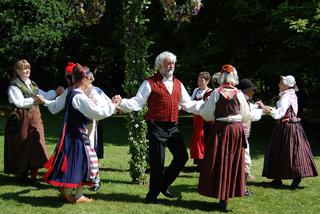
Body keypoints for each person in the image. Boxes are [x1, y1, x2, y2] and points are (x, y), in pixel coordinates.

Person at [114, 51, 204, 204]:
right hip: (156, 126)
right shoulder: (149, 83)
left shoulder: (178, 83)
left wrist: (207, 106)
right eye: (168, 63)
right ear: (160, 65)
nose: (171, 66)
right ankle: (152, 196)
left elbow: (188, 104)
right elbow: (137, 102)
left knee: (182, 157)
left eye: (173, 63)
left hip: (173, 126)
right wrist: (121, 102)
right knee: (158, 162)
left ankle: (163, 184)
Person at [43, 63, 121, 203]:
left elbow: (55, 107)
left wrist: (45, 102)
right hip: (76, 135)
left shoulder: (71, 92)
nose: (90, 82)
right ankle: (67, 190)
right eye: (88, 79)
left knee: (83, 162)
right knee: (78, 162)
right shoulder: (79, 96)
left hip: (75, 133)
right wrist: (114, 105)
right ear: (84, 80)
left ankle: (78, 195)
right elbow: (97, 113)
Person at [198, 64, 250, 211]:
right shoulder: (239, 93)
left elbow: (208, 115)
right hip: (234, 130)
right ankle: (225, 196)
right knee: (232, 162)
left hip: (220, 130)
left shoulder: (216, 92)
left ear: (221, 77)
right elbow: (245, 115)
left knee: (218, 161)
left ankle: (221, 195)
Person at [4, 59, 63, 183]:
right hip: (20, 118)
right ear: (17, 71)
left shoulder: (32, 84)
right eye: (24, 69)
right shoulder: (14, 86)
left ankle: (34, 174)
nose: (27, 71)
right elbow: (19, 102)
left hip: (35, 116)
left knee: (38, 141)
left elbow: (43, 95)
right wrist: (33, 101)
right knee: (23, 143)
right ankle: (22, 172)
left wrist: (55, 93)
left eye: (28, 68)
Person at [262, 75, 318, 189]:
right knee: (284, 151)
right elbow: (281, 111)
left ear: (287, 85)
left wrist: (268, 112)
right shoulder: (290, 95)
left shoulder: (286, 96)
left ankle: (293, 177)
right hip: (289, 126)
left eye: (281, 83)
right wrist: (268, 108)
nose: (279, 84)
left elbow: (280, 113)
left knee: (288, 151)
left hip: (287, 127)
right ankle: (279, 178)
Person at [237, 78, 264, 196]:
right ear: (246, 91)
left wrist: (258, 107)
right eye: (251, 90)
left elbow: (250, 107)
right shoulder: (241, 100)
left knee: (244, 163)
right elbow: (249, 115)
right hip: (240, 136)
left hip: (242, 136)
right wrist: (262, 112)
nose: (253, 92)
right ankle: (242, 188)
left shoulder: (244, 100)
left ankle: (241, 187)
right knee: (246, 163)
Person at [189, 71, 213, 170]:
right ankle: (198, 160)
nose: (199, 82)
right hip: (196, 117)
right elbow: (190, 101)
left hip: (205, 119)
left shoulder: (210, 92)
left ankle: (204, 160)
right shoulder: (196, 90)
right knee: (196, 138)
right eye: (198, 80)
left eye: (201, 80)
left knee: (203, 138)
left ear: (207, 81)